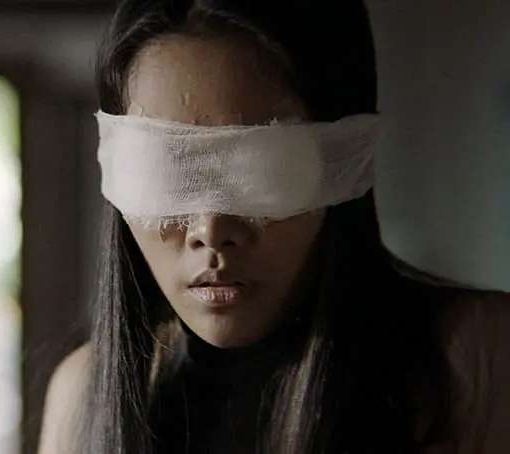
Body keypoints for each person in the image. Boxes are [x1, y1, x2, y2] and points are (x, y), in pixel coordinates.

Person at [39, 1, 510, 453]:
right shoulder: (82, 397)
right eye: (168, 173)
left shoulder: (472, 359)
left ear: (342, 165)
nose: (210, 230)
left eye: (263, 172)